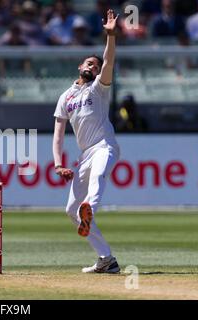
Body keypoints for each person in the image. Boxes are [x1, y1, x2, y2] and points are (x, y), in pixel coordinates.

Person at [52, 9, 121, 274]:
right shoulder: (66, 97)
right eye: (88, 64)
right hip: (85, 154)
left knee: (97, 181)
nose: (93, 66)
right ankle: (107, 259)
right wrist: (59, 165)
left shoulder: (99, 89)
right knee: (71, 209)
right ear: (79, 67)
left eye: (95, 64)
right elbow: (58, 134)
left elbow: (109, 61)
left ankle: (89, 209)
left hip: (105, 146)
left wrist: (111, 36)